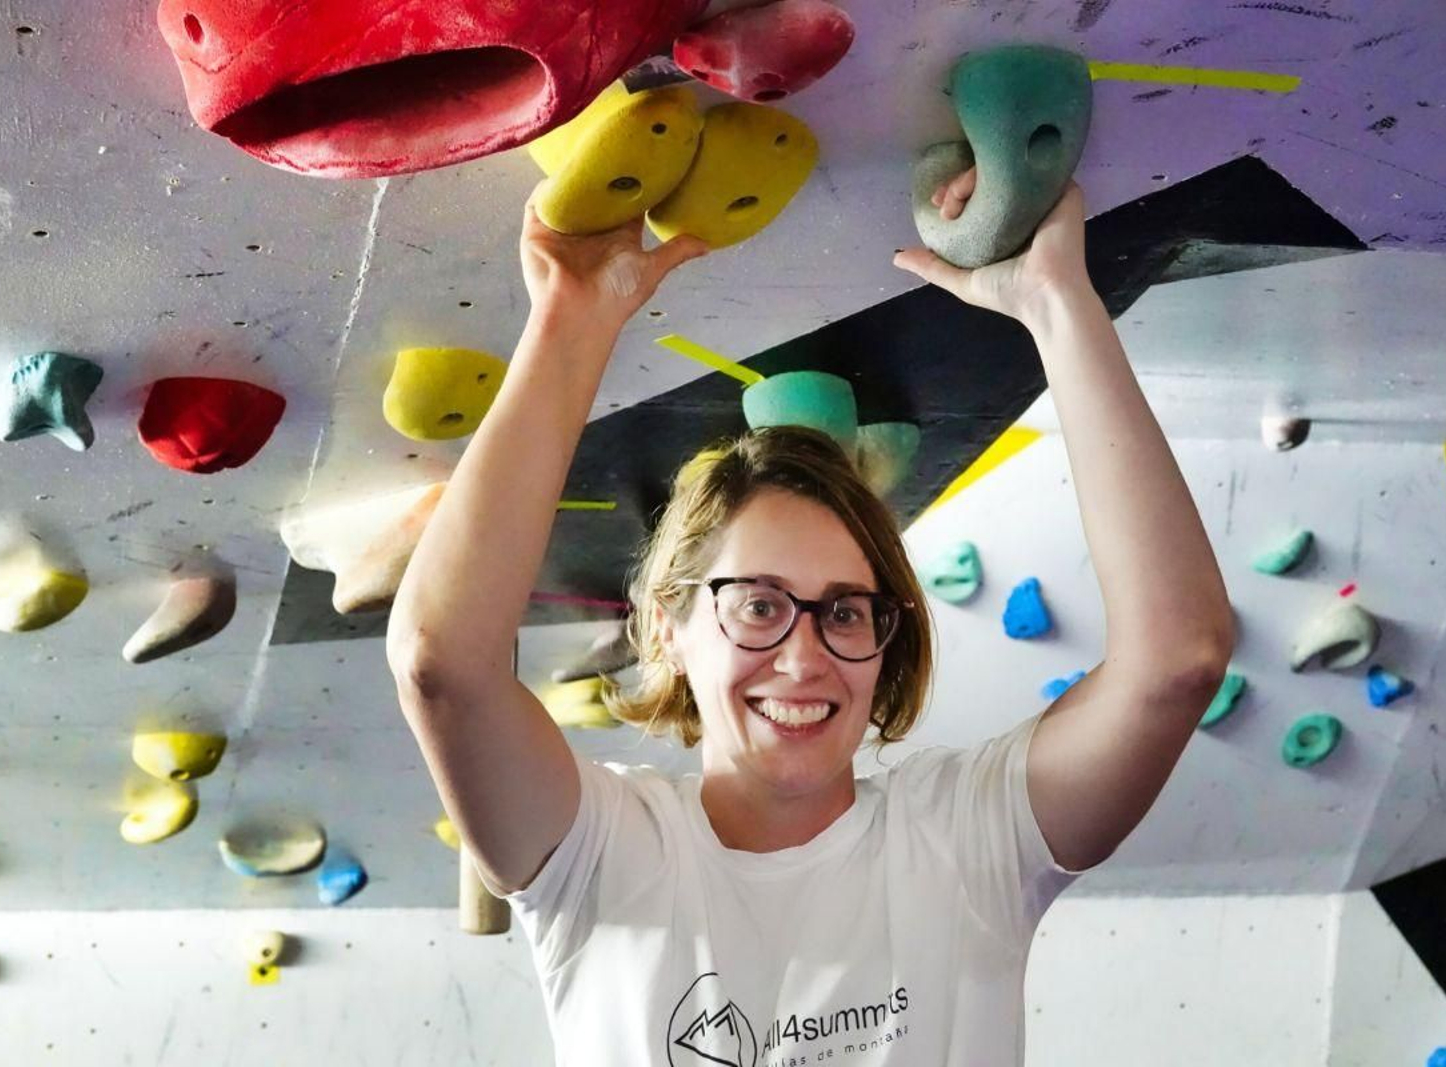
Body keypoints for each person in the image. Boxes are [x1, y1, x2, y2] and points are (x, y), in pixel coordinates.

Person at [387, 168, 1235, 1066]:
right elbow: (444, 664)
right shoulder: (601, 856)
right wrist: (570, 318)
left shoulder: (966, 839)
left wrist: (1059, 305)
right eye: (757, 604)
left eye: (844, 610)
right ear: (670, 626)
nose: (804, 656)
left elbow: (1177, 658)